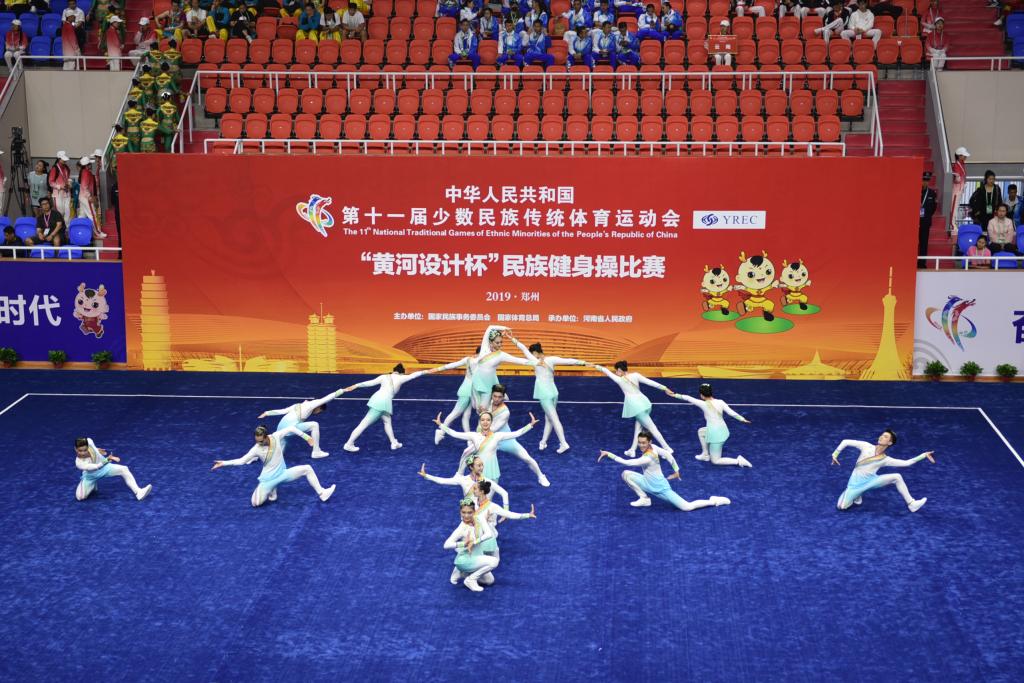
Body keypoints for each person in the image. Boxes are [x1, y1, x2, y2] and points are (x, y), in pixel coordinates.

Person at [598, 431, 731, 511]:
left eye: (644, 443)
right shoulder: (654, 447)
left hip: (660, 488)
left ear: (649, 442)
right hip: (646, 482)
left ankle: (714, 501)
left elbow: (627, 462)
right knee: (626, 474)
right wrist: (676, 470)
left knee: (687, 507)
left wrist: (609, 454)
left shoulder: (648, 457)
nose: (641, 445)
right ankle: (644, 499)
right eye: (639, 442)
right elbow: (668, 455)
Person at [212, 425, 336, 507]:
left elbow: (291, 428)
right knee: (255, 503)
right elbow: (242, 460)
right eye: (257, 441)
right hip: (268, 480)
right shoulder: (256, 449)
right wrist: (223, 463)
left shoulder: (276, 436)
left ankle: (322, 493)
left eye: (261, 441)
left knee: (307, 468)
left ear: (266, 437)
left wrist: (306, 437)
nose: (259, 443)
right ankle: (272, 491)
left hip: (283, 474)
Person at [342, 363, 443, 452]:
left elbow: (369, 383)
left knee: (387, 422)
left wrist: (356, 385)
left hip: (377, 400)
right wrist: (427, 371)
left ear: (394, 371)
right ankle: (349, 444)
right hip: (382, 403)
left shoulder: (384, 376)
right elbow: (415, 375)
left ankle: (394, 442)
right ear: (401, 373)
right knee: (363, 424)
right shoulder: (401, 378)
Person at [831, 429, 933, 512]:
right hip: (854, 485)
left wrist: (924, 455)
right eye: (881, 435)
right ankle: (857, 495)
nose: (881, 437)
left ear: (889, 442)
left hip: (870, 482)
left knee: (897, 477)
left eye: (885, 436)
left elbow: (907, 463)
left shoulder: (885, 459)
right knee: (841, 507)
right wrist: (835, 454)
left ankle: (911, 504)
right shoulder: (866, 446)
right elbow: (845, 441)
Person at [593, 360, 673, 456]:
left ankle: (667, 449)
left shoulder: (619, 380)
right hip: (645, 404)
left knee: (653, 428)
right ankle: (632, 450)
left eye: (616, 371)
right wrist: (665, 388)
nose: (616, 373)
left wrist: (592, 365)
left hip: (637, 409)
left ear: (620, 370)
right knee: (638, 429)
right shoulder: (636, 375)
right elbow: (650, 382)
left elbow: (605, 370)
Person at [435, 410, 538, 483]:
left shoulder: (497, 436)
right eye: (483, 420)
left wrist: (530, 425)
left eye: (488, 420)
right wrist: (441, 425)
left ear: (491, 422)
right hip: (479, 473)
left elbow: (517, 433)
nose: (485, 422)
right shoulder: (473, 436)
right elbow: (455, 433)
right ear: (480, 422)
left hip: (493, 473)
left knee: (487, 501)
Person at [520, 342, 586, 453]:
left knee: (554, 419)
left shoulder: (534, 360)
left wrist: (513, 340)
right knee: (549, 418)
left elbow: (523, 349)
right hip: (554, 393)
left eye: (532, 353)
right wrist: (582, 362)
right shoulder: (551, 359)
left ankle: (564, 443)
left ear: (535, 352)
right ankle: (543, 442)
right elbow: (568, 361)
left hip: (544, 394)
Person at [667, 383, 753, 468]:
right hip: (722, 430)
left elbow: (688, 398)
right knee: (701, 432)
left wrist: (673, 395)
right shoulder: (720, 402)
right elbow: (731, 412)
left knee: (715, 461)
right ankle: (705, 455)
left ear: (701, 395)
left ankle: (738, 461)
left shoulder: (703, 404)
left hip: (717, 436)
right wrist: (742, 419)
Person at [483, 384, 551, 487]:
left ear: (503, 397)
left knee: (527, 458)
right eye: (494, 396)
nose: (496, 399)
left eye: (500, 397)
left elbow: (492, 429)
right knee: (476, 457)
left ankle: (541, 476)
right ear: (491, 395)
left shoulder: (505, 412)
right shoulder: (488, 403)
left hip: (505, 440)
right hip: (490, 440)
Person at [258, 390, 343, 459]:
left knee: (277, 454)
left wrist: (267, 413)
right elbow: (327, 398)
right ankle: (316, 451)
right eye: (319, 411)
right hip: (290, 427)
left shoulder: (298, 405)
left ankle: (257, 454)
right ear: (318, 407)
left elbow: (283, 411)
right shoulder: (311, 405)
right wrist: (343, 390)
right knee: (315, 425)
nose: (317, 413)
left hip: (281, 426)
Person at [469, 325, 535, 410]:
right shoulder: (484, 347)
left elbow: (519, 360)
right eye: (497, 343)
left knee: (482, 409)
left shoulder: (501, 355)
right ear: (491, 342)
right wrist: (505, 328)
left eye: (501, 342)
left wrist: (536, 363)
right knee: (475, 406)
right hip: (477, 381)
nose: (500, 345)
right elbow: (490, 327)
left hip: (488, 384)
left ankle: (492, 406)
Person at [470, 479, 536, 561]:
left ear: (482, 491)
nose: (473, 490)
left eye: (475, 488)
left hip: (487, 538)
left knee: (492, 562)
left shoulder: (492, 506)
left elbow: (509, 514)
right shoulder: (472, 503)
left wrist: (528, 515)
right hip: (475, 535)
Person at [443, 499, 499, 592]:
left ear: (474, 512)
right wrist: (463, 543)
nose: (466, 515)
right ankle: (470, 579)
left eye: (469, 512)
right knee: (494, 562)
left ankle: (462, 573)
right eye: (463, 512)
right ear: (460, 512)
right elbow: (446, 545)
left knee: (489, 581)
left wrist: (474, 542)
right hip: (464, 559)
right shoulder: (462, 528)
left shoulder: (480, 519)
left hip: (477, 555)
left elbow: (489, 534)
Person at [75, 437, 153, 502]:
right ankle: (92, 485)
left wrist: (98, 450)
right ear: (75, 449)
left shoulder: (89, 441)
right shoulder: (79, 463)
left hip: (105, 468)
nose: (83, 453)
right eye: (80, 451)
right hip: (91, 476)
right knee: (80, 497)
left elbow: (94, 448)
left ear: (87, 447)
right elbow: (97, 466)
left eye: (85, 450)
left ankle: (138, 492)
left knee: (124, 469)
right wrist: (107, 459)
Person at [420, 454, 511, 507]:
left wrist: (505, 510)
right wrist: (426, 476)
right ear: (471, 467)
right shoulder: (463, 480)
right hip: (468, 515)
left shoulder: (487, 481)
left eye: (482, 465)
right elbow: (443, 481)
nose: (482, 468)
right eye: (479, 465)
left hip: (482, 514)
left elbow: (505, 493)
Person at [77, 157, 105, 238]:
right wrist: (90, 197)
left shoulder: (84, 172)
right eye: (90, 164)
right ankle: (98, 233)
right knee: (92, 215)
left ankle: (79, 231)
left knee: (82, 216)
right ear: (87, 165)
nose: (91, 165)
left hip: (83, 197)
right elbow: (84, 187)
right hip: (86, 197)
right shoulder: (86, 173)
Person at [918, 171, 937, 267]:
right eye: (923, 180)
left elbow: (933, 208)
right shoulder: (915, 190)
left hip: (925, 222)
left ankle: (921, 263)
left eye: (927, 180)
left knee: (924, 242)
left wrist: (926, 216)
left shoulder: (932, 193)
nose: (925, 182)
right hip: (914, 222)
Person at [949, 146, 969, 234]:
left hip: (960, 189)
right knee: (953, 207)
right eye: (964, 155)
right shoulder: (956, 165)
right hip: (956, 190)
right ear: (959, 156)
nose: (965, 157)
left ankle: (953, 223)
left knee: (956, 207)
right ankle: (952, 224)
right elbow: (956, 179)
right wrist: (957, 177)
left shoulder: (962, 164)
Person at [48, 151, 73, 219]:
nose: (65, 161)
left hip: (67, 192)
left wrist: (70, 183)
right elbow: (51, 182)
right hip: (58, 194)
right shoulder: (54, 168)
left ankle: (67, 225)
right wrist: (60, 187)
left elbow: (68, 178)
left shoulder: (66, 168)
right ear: (59, 159)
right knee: (60, 212)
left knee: (68, 211)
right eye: (63, 159)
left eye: (65, 159)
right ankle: (60, 224)